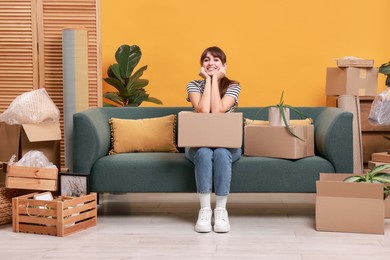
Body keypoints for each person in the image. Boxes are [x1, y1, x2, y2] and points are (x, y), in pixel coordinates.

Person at [185, 46, 241, 233]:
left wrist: (216, 80)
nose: (211, 63)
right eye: (207, 59)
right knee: (203, 152)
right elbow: (202, 110)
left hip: (228, 145)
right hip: (199, 144)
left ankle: (221, 210)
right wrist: (208, 81)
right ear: (202, 64)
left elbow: (217, 111)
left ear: (224, 65)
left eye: (216, 60)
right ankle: (204, 210)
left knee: (221, 152)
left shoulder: (233, 86)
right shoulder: (193, 85)